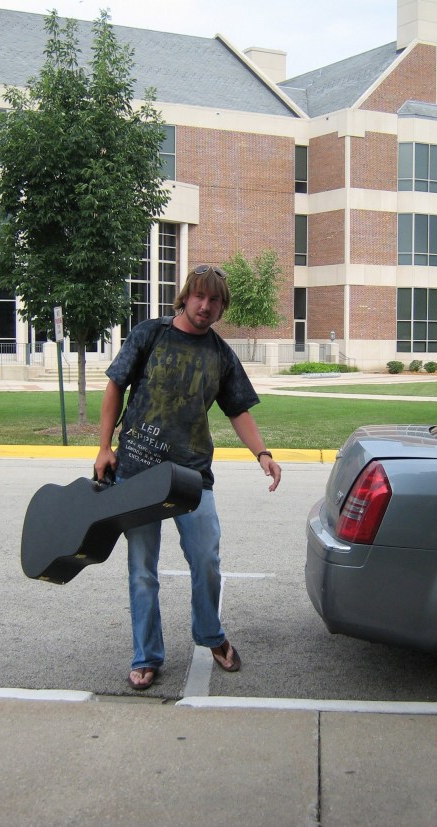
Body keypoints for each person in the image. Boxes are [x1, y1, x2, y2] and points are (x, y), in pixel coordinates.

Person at [94, 264, 282, 690]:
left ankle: (210, 634)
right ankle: (146, 654)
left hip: (191, 474)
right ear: (185, 296)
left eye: (214, 300)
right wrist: (105, 447)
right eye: (199, 296)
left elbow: (238, 409)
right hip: (138, 469)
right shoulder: (150, 334)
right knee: (143, 567)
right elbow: (114, 386)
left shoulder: (219, 354)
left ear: (221, 307)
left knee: (206, 558)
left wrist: (263, 453)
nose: (205, 305)